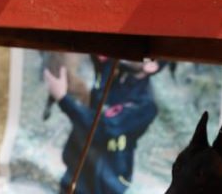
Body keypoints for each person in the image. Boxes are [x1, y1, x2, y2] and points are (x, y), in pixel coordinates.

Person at [44, 56, 160, 194]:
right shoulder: (112, 71)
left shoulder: (146, 104)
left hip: (105, 184)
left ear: (151, 65)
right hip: (76, 173)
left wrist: (63, 98)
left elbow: (102, 128)